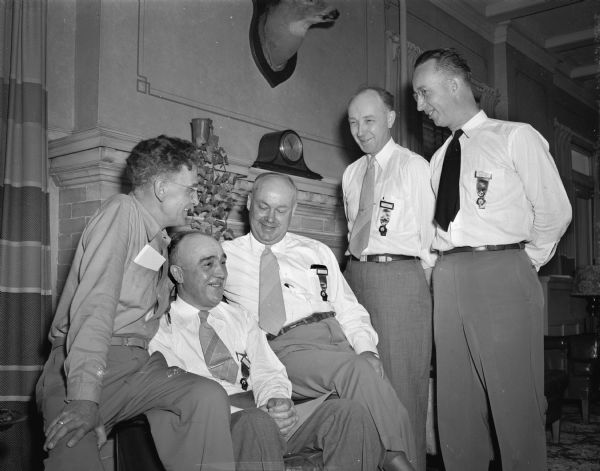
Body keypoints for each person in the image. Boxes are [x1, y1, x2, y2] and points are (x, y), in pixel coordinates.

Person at [412, 48, 572, 471]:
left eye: (424, 93)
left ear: (453, 84)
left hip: (503, 270)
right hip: (448, 277)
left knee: (515, 403)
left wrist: (520, 264)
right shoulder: (438, 158)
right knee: (455, 407)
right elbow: (436, 231)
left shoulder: (515, 136)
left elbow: (555, 213)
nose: (419, 106)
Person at [36, 135, 237, 471]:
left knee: (205, 396)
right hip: (86, 365)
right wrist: (86, 397)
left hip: (138, 367)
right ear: (161, 188)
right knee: (73, 453)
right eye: (190, 189)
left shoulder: (159, 239)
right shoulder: (121, 213)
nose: (196, 198)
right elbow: (95, 307)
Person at [223, 172, 417, 471]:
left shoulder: (315, 251)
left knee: (364, 378)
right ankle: (399, 460)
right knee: (354, 370)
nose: (271, 218)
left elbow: (349, 308)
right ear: (249, 203)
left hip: (335, 339)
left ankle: (393, 456)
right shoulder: (225, 257)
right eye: (263, 206)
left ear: (294, 210)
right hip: (284, 349)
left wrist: (367, 349)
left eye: (281, 209)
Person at [150, 230, 385, 470]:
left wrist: (277, 402)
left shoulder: (240, 318)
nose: (220, 272)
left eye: (222, 262)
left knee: (348, 414)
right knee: (256, 422)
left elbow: (269, 371)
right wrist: (257, 413)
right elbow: (181, 399)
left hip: (262, 417)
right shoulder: (160, 327)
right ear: (178, 273)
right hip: (214, 429)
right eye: (207, 265)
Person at [342, 86, 436, 471]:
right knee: (363, 384)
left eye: (369, 121)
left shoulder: (413, 166)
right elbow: (353, 231)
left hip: (400, 278)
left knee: (403, 388)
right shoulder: (350, 173)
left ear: (391, 119)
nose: (361, 131)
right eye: (353, 123)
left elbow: (430, 240)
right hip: (355, 276)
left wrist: (420, 294)